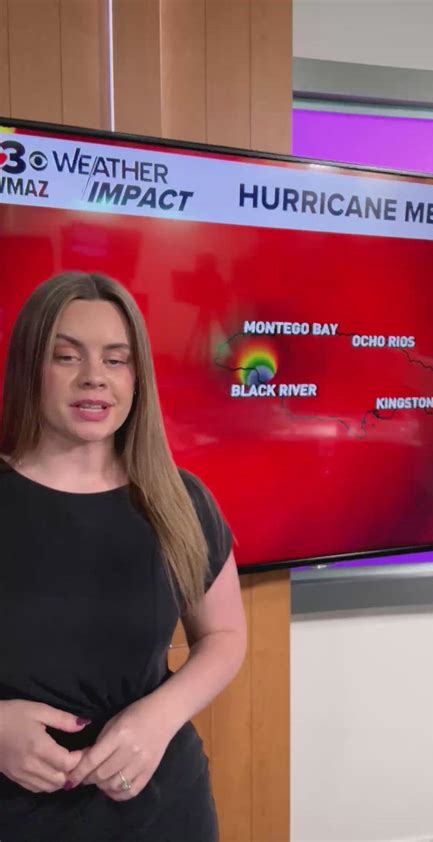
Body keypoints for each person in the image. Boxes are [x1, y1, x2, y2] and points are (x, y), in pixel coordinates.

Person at [0, 271, 247, 842]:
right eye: (67, 356)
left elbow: (225, 636)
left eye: (116, 360)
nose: (94, 377)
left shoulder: (179, 499)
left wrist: (158, 719)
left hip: (160, 808)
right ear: (30, 365)